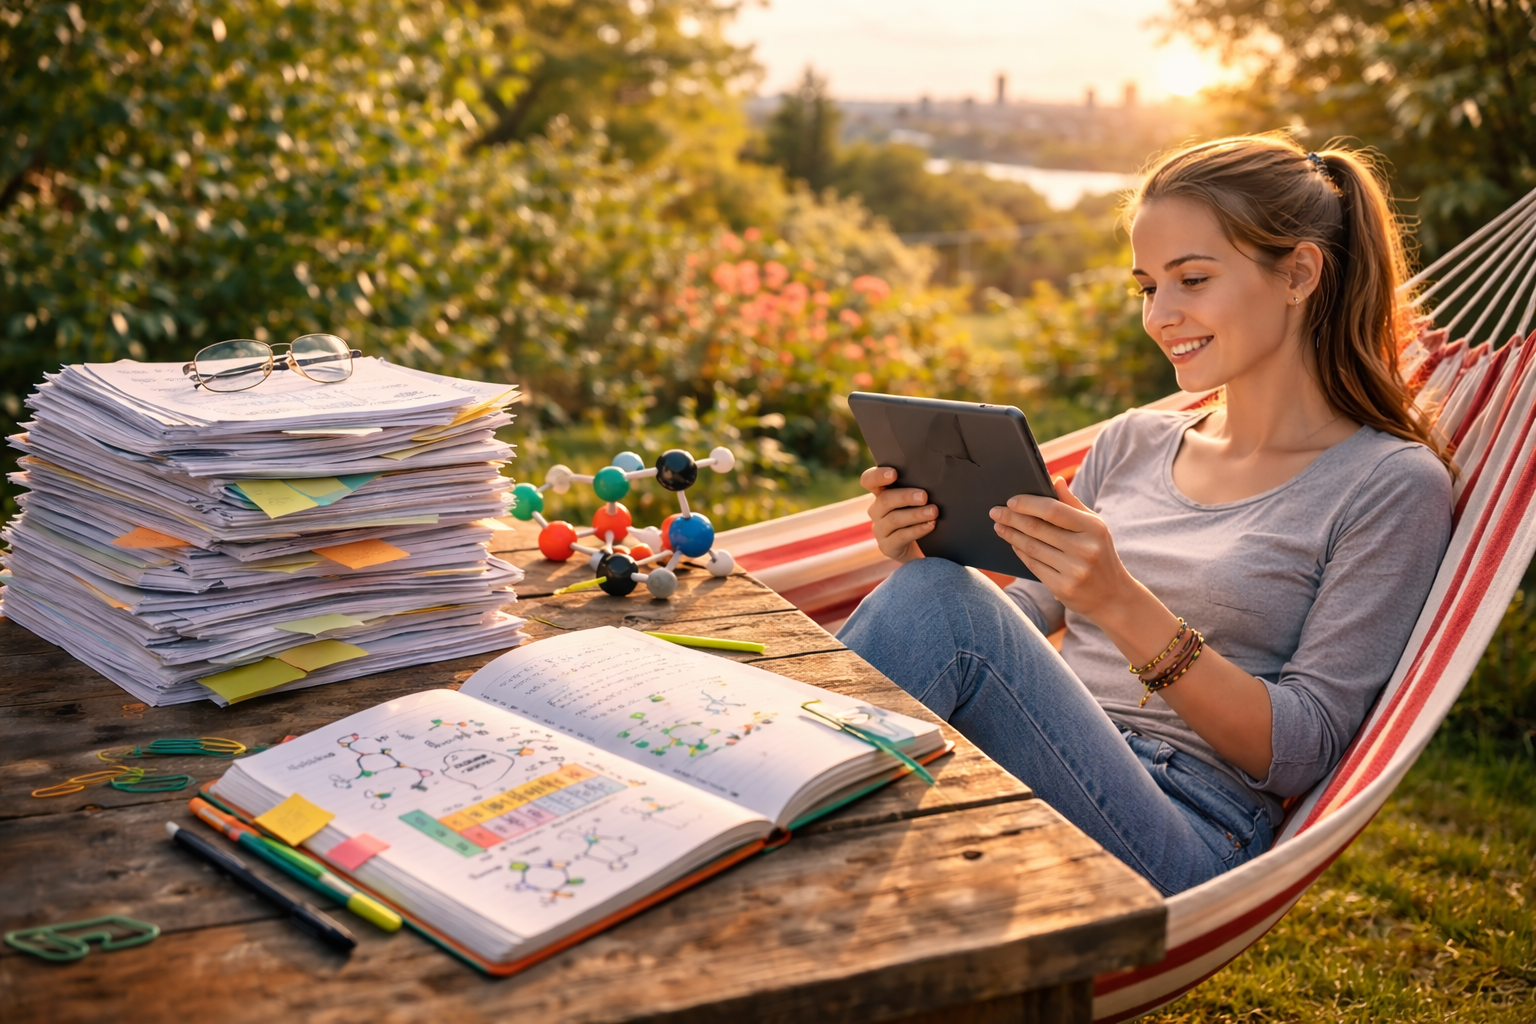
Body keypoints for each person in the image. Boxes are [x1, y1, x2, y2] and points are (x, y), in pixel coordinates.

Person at [838, 135, 1454, 896]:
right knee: (937, 595)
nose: (1160, 316)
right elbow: (1023, 615)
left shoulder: (1389, 485)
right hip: (1041, 754)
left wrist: (1119, 603)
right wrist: (928, 551)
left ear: (1298, 273)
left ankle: (741, 792)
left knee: (942, 612)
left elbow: (1302, 749)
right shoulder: (1133, 440)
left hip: (1183, 823)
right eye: (1146, 288)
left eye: (1191, 279)